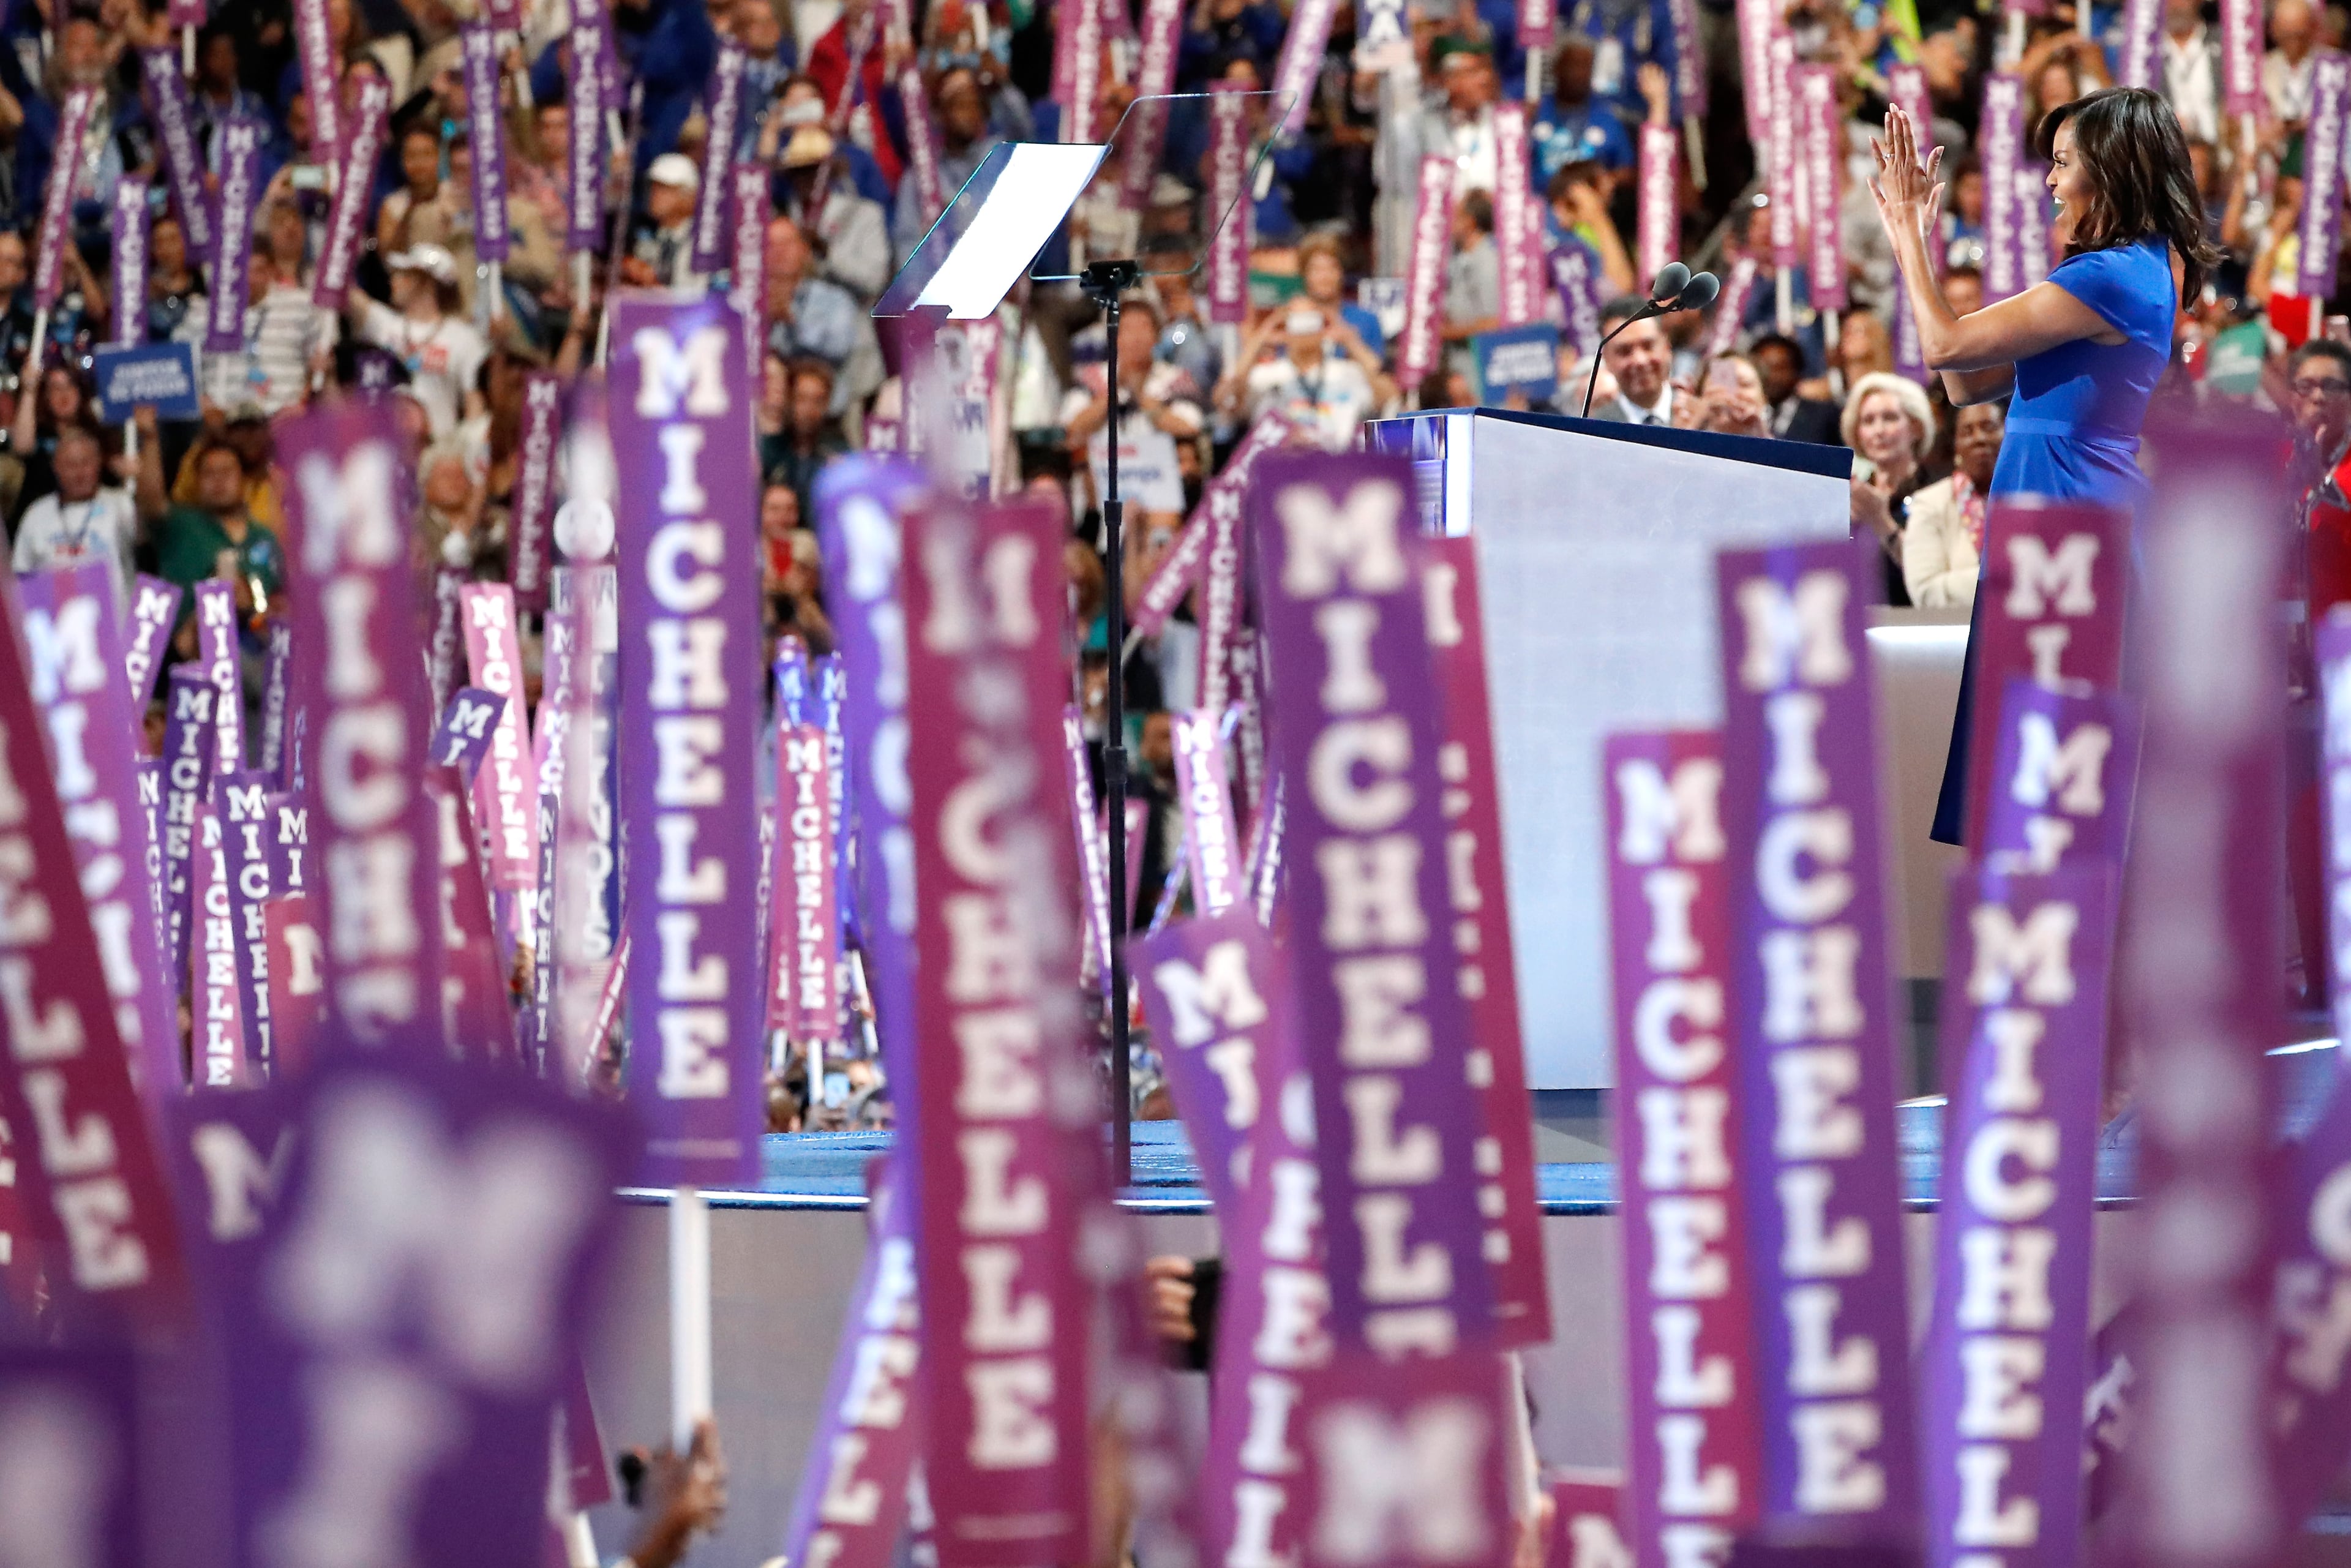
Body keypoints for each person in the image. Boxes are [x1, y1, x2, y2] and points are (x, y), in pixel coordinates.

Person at [1870, 84, 2221, 844]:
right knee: (2044, 801)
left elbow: (1944, 347)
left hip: (2074, 545)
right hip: (2055, 537)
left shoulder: (2113, 276)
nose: (2052, 182)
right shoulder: (2133, 271)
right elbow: (1964, 385)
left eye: (2064, 163)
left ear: (2115, 167)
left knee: (2057, 802)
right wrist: (1917, 246)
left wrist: (1905, 227)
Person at [346, 243, 487, 437]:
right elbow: (342, 288)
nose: (393, 281)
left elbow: (474, 405)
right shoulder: (386, 325)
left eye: (404, 275)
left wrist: (462, 450)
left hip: (437, 448)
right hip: (388, 447)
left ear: (426, 283)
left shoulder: (464, 339)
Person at [13, 423, 141, 607]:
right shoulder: (36, 515)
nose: (79, 473)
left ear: (99, 463)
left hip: (115, 628)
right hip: (55, 627)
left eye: (86, 463)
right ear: (55, 467)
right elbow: (21, 578)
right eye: (71, 465)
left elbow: (148, 549)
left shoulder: (122, 504)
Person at [1843, 372, 1938, 608]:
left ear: (1916, 427)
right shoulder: (1850, 495)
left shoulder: (1938, 490)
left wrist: (1879, 520)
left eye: (1890, 418)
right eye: (1868, 421)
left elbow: (1932, 576)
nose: (1879, 431)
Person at [1903, 400, 2007, 609]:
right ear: (1956, 445)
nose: (1979, 439)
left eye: (1989, 427)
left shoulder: (2034, 497)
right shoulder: (1930, 503)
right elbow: (1926, 592)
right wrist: (2007, 578)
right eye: (1967, 431)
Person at [1588, 296, 1674, 424]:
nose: (1640, 361)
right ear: (1607, 359)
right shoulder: (1596, 428)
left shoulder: (1702, 417)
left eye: (1648, 346)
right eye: (1625, 351)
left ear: (1667, 347)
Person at [1751, 333, 1841, 443]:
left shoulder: (1825, 417)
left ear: (1797, 371)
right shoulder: (1743, 416)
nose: (1773, 376)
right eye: (1766, 368)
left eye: (1781, 368)